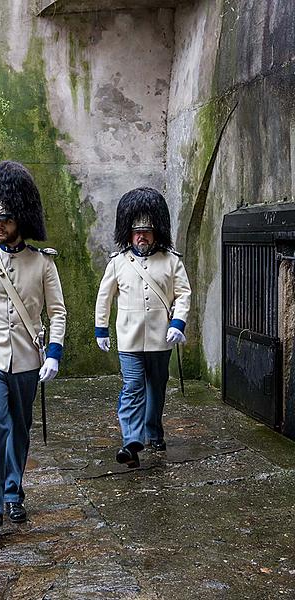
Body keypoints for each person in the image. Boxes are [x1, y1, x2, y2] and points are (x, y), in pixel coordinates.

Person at [0, 161, 66, 534]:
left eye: (6, 220)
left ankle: (13, 492)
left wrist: (54, 352)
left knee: (19, 429)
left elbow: (58, 312)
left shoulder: (42, 263)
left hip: (26, 360)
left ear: (20, 219)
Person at [95, 187, 191, 468]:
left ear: (156, 232)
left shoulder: (172, 261)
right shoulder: (118, 263)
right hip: (130, 338)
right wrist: (101, 328)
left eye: (147, 231)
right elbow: (105, 296)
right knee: (133, 386)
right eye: (136, 231)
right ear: (128, 233)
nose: (141, 236)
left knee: (157, 389)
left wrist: (178, 322)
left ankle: (154, 430)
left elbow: (183, 294)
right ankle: (131, 441)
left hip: (162, 338)